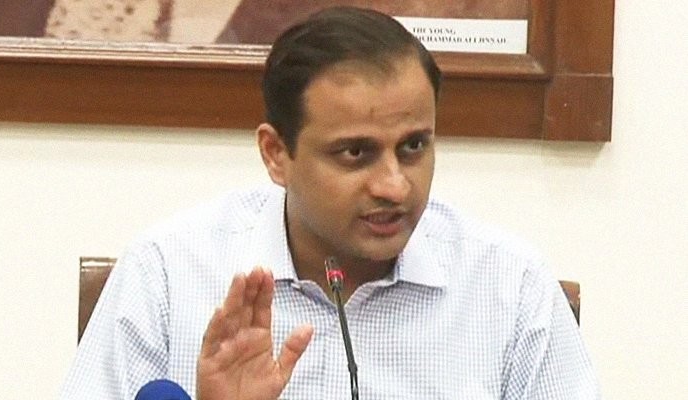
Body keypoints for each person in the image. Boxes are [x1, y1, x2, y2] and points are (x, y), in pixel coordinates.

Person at [61, 6, 600, 400]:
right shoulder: (168, 274)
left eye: (414, 147)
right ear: (276, 154)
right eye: (355, 153)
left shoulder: (509, 286)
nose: (394, 186)